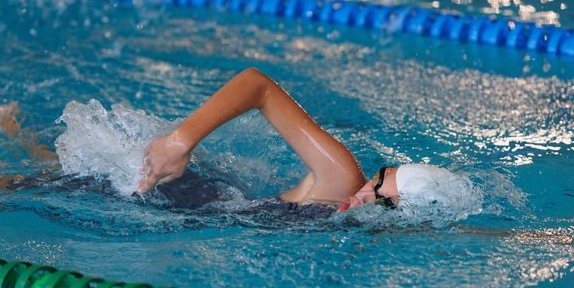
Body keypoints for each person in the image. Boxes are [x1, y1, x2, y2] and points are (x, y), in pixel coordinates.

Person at [139, 67, 446, 213]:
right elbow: (258, 86)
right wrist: (179, 142)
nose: (365, 197)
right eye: (377, 182)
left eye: (386, 203)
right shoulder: (343, 178)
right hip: (169, 189)